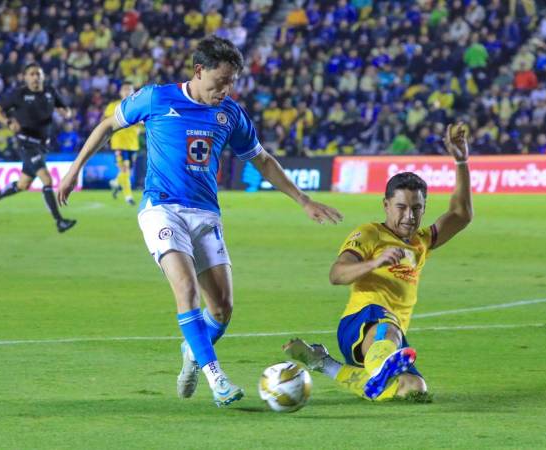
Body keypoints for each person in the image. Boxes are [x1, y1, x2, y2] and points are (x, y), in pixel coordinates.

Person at [57, 36, 342, 407]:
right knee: (185, 288)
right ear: (198, 71)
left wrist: (302, 200)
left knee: (221, 310)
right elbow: (108, 125)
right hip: (162, 208)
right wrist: (73, 170)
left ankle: (193, 350)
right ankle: (216, 378)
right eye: (219, 82)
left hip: (206, 214)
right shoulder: (157, 98)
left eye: (232, 82)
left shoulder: (231, 115)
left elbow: (262, 160)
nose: (225, 90)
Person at [284, 123, 473, 401]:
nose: (409, 215)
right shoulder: (370, 234)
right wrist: (373, 263)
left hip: (391, 337)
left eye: (417, 208)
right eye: (401, 207)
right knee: (388, 324)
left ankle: (326, 363)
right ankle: (382, 364)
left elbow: (461, 214)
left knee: (413, 390)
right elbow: (337, 274)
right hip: (362, 321)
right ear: (386, 205)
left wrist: (461, 160)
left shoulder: (422, 241)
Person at [0, 63, 76, 233]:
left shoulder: (50, 92)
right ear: (25, 77)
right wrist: (8, 122)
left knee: (23, 184)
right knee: (47, 180)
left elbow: (66, 109)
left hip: (42, 146)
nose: (36, 77)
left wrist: (66, 113)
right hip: (26, 143)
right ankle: (59, 221)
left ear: (43, 76)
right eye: (32, 74)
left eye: (38, 74)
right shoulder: (19, 94)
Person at [104, 81, 141, 205]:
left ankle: (115, 183)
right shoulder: (114, 106)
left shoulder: (139, 106)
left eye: (129, 89)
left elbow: (144, 123)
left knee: (127, 171)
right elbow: (107, 122)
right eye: (124, 89)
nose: (127, 91)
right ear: (120, 92)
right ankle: (128, 196)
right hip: (119, 143)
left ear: (133, 92)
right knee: (125, 169)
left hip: (133, 144)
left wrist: (140, 125)